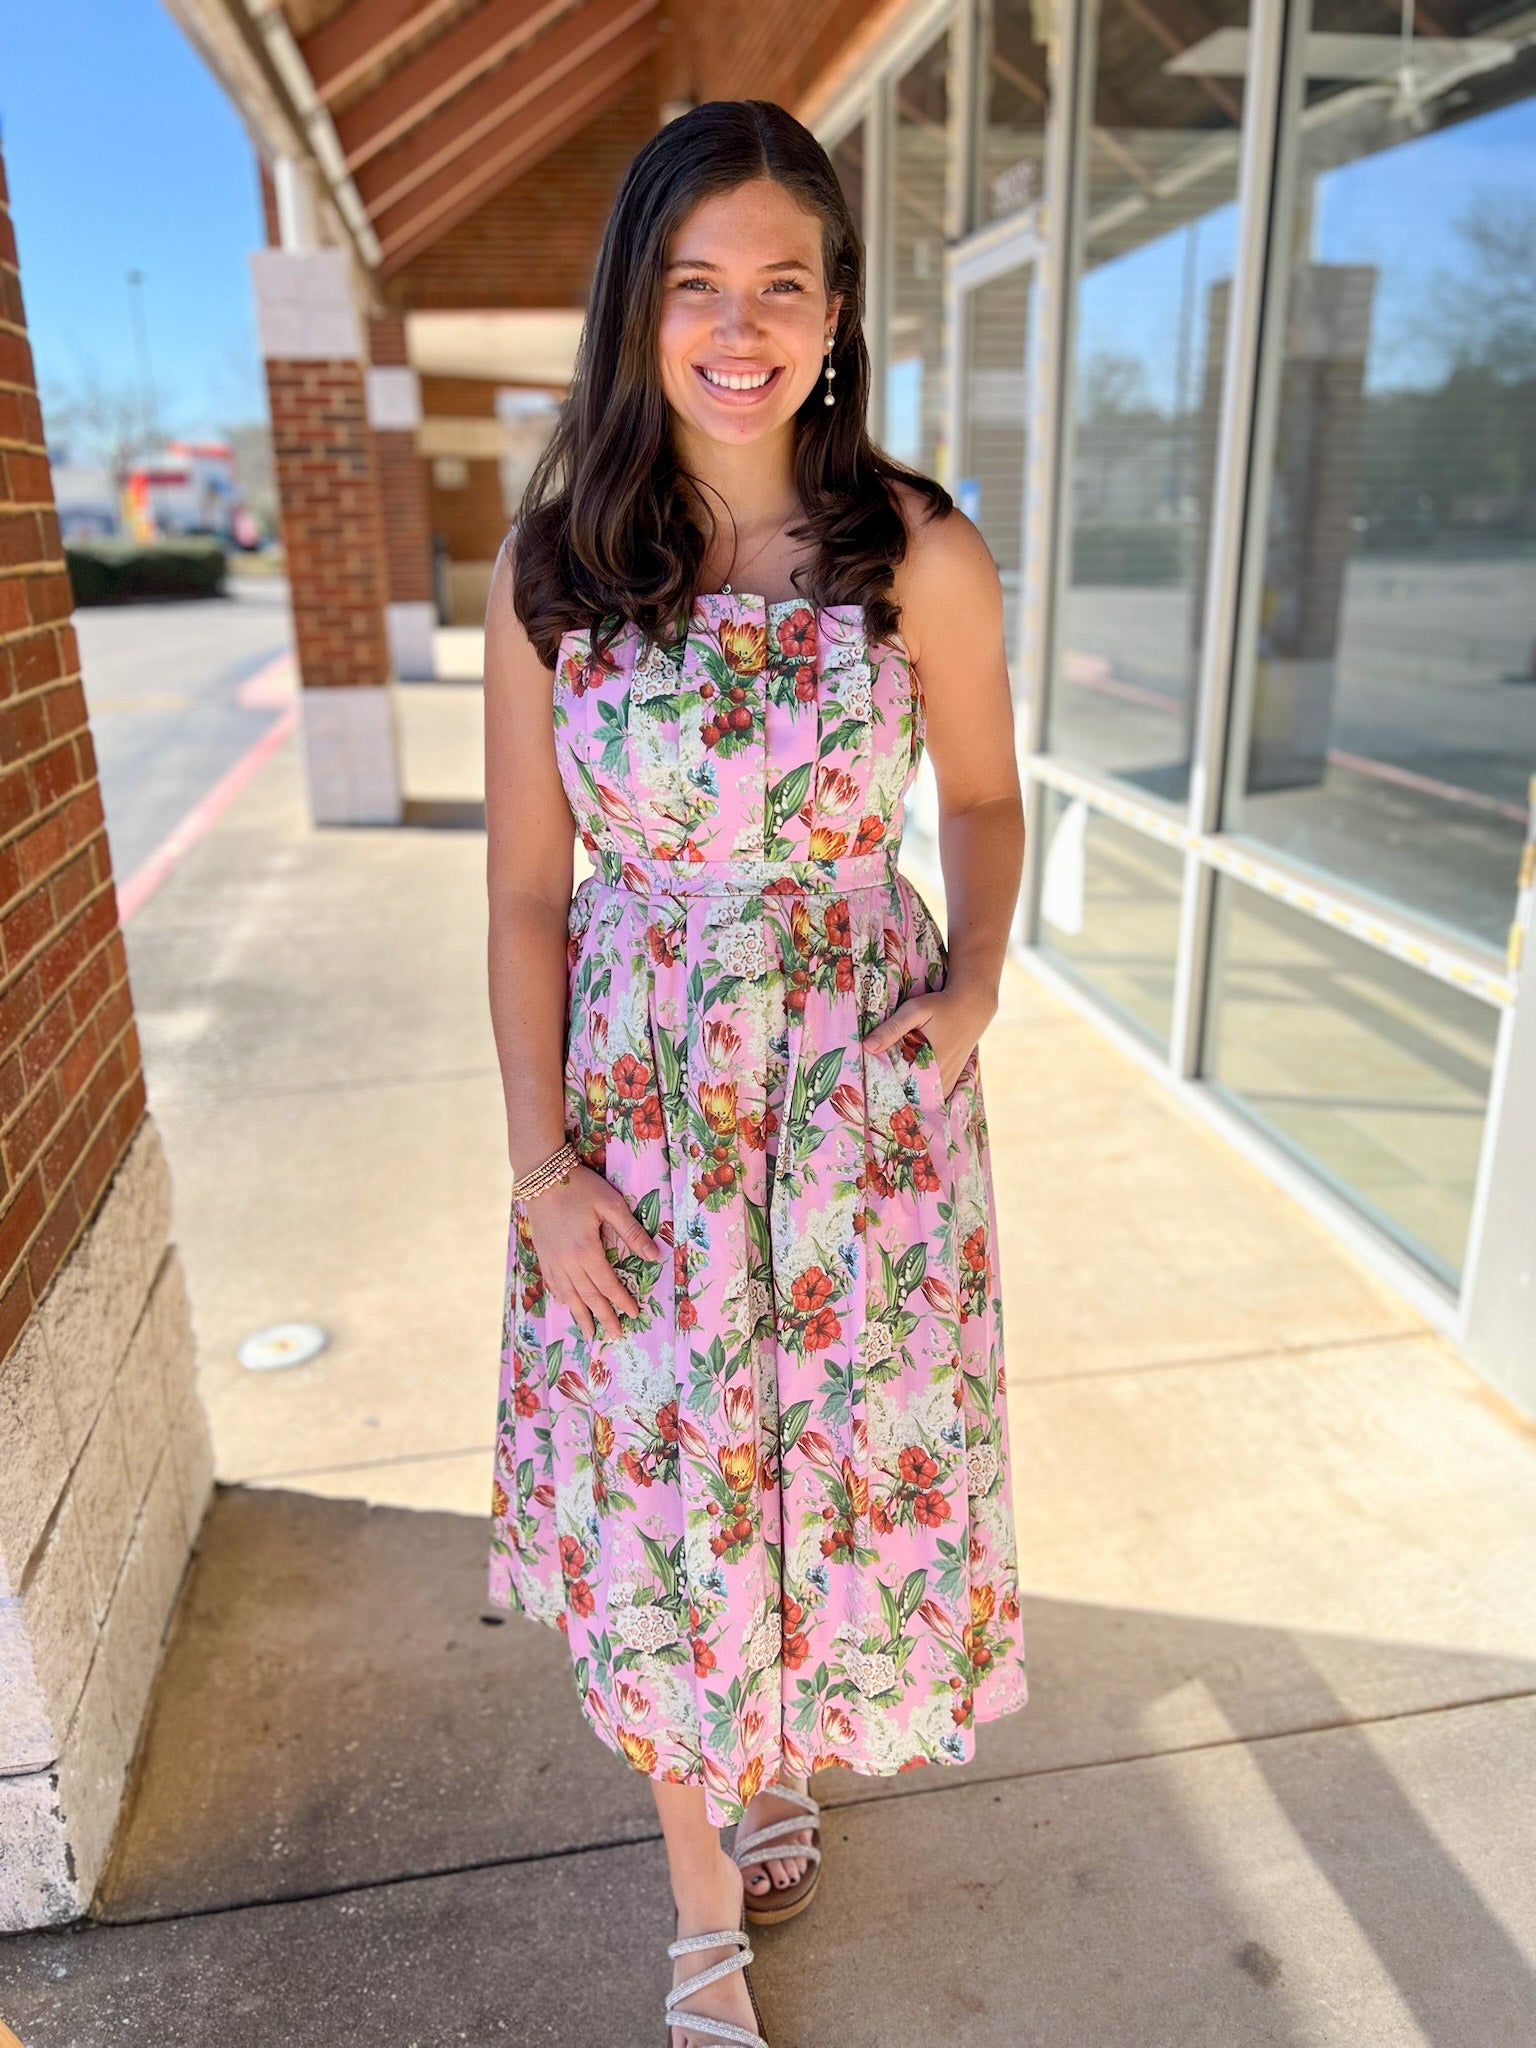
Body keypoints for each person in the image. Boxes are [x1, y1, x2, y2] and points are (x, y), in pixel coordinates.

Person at [483, 97, 1028, 2048]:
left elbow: (979, 799)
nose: (737, 324)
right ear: (638, 307)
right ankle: (699, 1901)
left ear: (832, 307)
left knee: (808, 1473)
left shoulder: (915, 551)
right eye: (693, 282)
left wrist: (965, 1003)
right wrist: (544, 1171)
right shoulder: (556, 567)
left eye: (777, 284)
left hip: (856, 1121)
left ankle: (773, 1748)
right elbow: (529, 898)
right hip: (637, 1121)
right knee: (672, 1503)